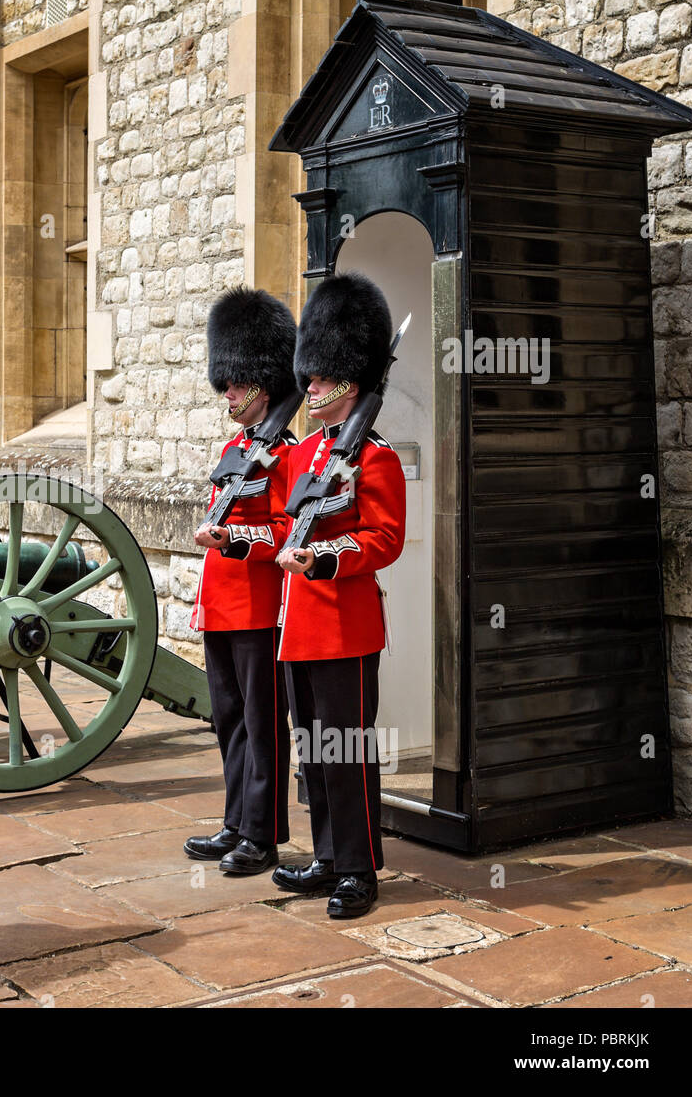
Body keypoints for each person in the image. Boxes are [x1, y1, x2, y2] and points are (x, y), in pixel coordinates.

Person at [272, 272, 406, 919]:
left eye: (320, 380)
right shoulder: (305, 456)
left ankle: (359, 868)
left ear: (349, 382)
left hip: (346, 625)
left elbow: (384, 541)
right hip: (298, 625)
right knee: (313, 749)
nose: (310, 389)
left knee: (346, 750)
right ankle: (327, 855)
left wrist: (321, 557)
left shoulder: (373, 456)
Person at [185, 286, 298, 875]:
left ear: (262, 381)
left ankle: (263, 832)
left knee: (262, 725)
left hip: (259, 606)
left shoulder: (288, 454)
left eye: (235, 382)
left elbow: (287, 531)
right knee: (228, 718)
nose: (226, 391)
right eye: (224, 381)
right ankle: (236, 820)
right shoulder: (237, 447)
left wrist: (236, 543)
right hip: (222, 604)